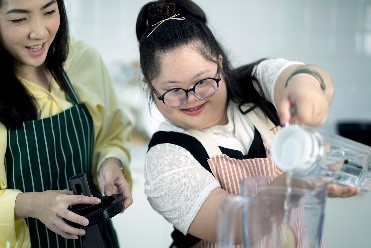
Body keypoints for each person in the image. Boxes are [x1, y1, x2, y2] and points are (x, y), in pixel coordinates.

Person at [135, 0, 360, 247]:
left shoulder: (257, 87)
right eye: (174, 90)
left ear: (220, 64)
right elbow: (239, 226)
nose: (193, 98)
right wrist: (299, 180)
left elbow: (302, 76)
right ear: (150, 87)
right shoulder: (166, 157)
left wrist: (307, 89)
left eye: (203, 81)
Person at [0, 0, 133, 247]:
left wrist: (110, 162)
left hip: (97, 239)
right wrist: (30, 204)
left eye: (49, 11)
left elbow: (111, 134)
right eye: (19, 19)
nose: (40, 32)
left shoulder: (82, 60)